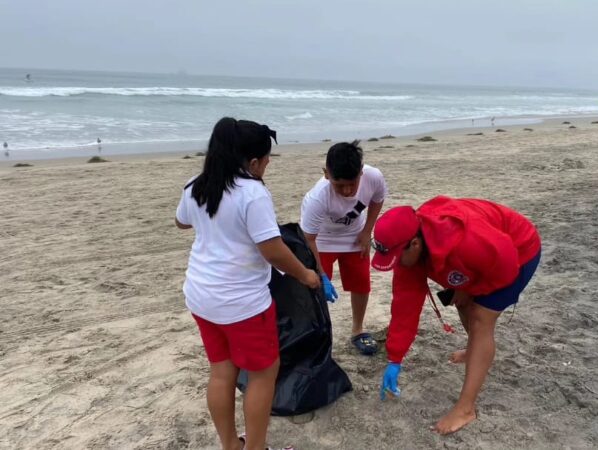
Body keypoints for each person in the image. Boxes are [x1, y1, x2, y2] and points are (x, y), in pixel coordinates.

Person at [175, 117, 320, 450]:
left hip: (201, 296)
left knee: (221, 372)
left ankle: (231, 445)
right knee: (263, 374)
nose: (267, 166)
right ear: (253, 162)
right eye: (267, 160)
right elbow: (272, 250)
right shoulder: (252, 193)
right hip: (242, 304)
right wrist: (306, 274)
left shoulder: (197, 183)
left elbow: (181, 221)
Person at [371, 196, 541, 434]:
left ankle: (465, 409)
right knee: (461, 302)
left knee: (480, 316)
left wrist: (473, 291)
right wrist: (395, 359)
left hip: (518, 251)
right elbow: (404, 308)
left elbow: (505, 261)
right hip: (482, 257)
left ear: (415, 244)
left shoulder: (466, 240)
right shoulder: (410, 251)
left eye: (396, 258)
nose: (395, 265)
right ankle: (476, 351)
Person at [300, 140, 387, 355]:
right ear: (326, 174)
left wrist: (367, 231)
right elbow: (308, 238)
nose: (347, 191)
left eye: (352, 183)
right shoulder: (317, 198)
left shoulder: (373, 177)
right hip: (322, 240)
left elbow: (378, 199)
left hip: (354, 236)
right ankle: (318, 334)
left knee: (361, 283)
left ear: (361, 173)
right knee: (315, 289)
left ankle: (358, 330)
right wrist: (321, 274)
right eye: (340, 185)